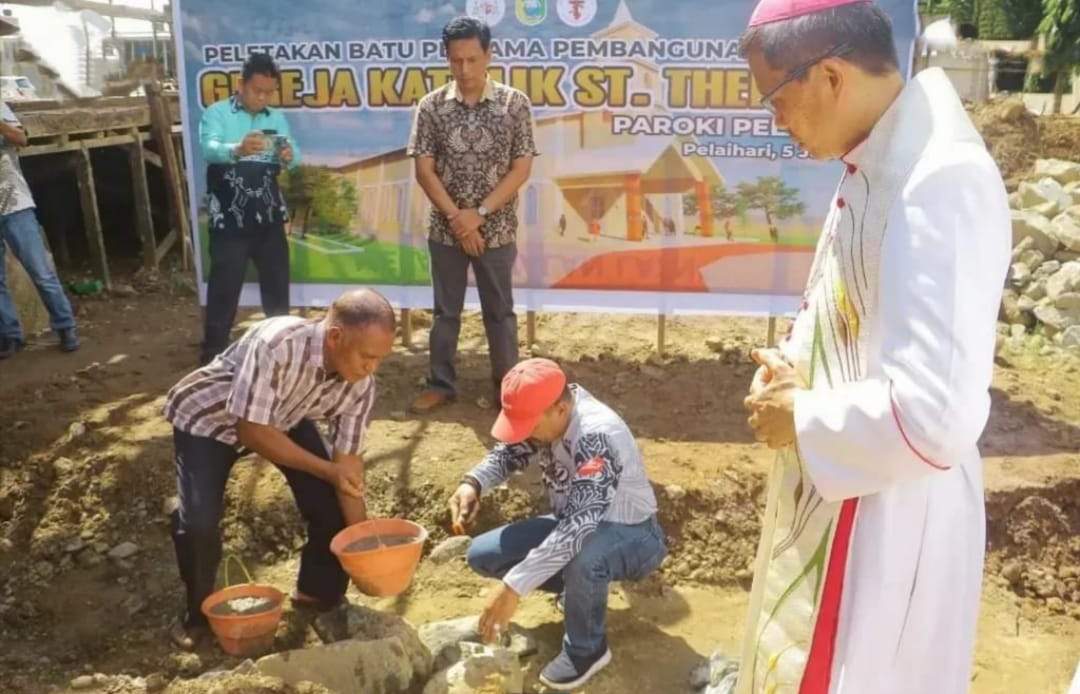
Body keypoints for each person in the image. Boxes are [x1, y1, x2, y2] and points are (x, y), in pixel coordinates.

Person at [735, 1, 1010, 693]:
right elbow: (856, 311)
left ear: (829, 76)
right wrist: (796, 365)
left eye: (776, 96)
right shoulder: (883, 154)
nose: (775, 120)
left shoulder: (935, 178)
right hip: (851, 485)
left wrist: (802, 416)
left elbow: (935, 418)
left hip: (891, 523)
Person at [162, 288, 394, 649]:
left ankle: (318, 595)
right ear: (336, 337)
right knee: (199, 525)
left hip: (283, 415)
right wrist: (327, 470)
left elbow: (347, 467)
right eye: (367, 357)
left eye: (380, 359)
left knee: (332, 505)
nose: (371, 368)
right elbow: (251, 430)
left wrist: (365, 545)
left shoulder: (361, 386)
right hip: (210, 419)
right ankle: (196, 615)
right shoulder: (279, 343)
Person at [449, 358, 667, 691]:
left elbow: (579, 528)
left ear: (561, 409)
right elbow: (510, 451)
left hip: (634, 535)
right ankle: (578, 592)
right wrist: (473, 483)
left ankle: (587, 651)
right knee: (484, 554)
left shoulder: (597, 436)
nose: (526, 434)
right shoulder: (547, 413)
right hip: (577, 523)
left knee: (584, 554)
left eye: (529, 424)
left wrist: (513, 588)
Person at [407, 16, 538, 413]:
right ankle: (441, 384)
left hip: (496, 231)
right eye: (455, 60)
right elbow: (424, 169)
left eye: (472, 59)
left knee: (499, 312)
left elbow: (522, 167)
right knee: (445, 312)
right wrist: (457, 219)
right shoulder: (430, 107)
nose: (464, 70)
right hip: (446, 231)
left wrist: (478, 214)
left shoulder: (515, 105)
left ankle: (507, 388)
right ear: (447, 59)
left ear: (488, 56)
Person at [199, 52, 300, 365]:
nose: (263, 98)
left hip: (269, 221)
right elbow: (209, 148)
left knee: (277, 295)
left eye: (269, 92)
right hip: (229, 224)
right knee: (223, 294)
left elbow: (294, 156)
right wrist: (237, 149)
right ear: (240, 85)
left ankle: (279, 356)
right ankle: (212, 361)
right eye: (258, 90)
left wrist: (287, 154)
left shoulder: (275, 118)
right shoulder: (217, 113)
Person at [0, 100, 79, 358]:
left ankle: (65, 326)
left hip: (15, 203)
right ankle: (11, 336)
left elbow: (21, 139)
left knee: (41, 272)